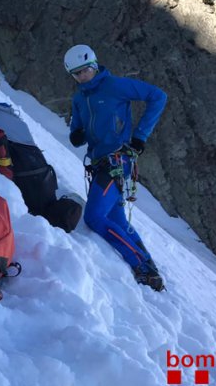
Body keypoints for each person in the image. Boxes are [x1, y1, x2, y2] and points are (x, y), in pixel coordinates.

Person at [64, 44, 167, 291]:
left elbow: (158, 96)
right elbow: (76, 127)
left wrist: (140, 136)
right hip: (100, 163)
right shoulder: (79, 98)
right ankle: (150, 270)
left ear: (95, 65)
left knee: (94, 217)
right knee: (115, 218)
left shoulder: (115, 86)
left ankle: (141, 266)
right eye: (76, 73)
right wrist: (76, 134)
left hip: (117, 160)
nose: (82, 76)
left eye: (86, 70)